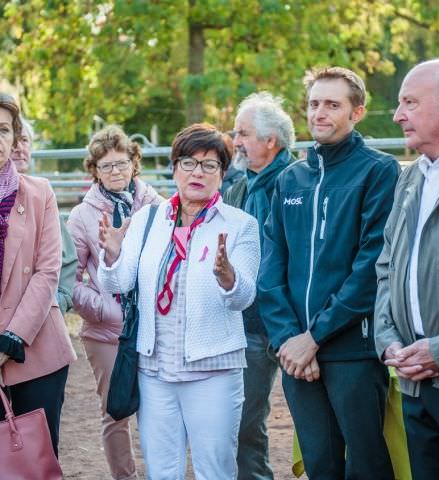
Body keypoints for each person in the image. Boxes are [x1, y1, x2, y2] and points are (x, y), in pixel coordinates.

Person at [258, 66, 399, 479]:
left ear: (357, 113)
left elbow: (371, 267)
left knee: (367, 465)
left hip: (351, 350)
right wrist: (289, 340)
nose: (319, 112)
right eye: (314, 103)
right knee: (320, 466)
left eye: (332, 105)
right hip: (296, 358)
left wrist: (315, 337)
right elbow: (271, 269)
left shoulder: (378, 171)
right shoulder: (290, 179)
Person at [97, 123, 260, 480]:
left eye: (209, 165)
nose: (197, 172)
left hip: (213, 370)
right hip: (155, 370)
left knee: (214, 469)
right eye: (188, 162)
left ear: (222, 173)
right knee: (161, 470)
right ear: (174, 168)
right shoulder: (148, 219)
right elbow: (119, 282)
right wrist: (110, 256)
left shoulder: (240, 225)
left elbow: (244, 298)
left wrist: (228, 278)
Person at [375, 58, 439, 480]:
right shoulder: (410, 179)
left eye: (409, 102)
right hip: (414, 384)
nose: (398, 115)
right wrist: (389, 341)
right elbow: (386, 267)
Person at [67, 125, 161, 480]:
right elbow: (70, 282)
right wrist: (110, 311)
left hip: (151, 325)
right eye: (105, 167)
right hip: (105, 330)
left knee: (158, 408)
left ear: (135, 163)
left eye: (121, 164)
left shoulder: (158, 207)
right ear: (95, 171)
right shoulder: (81, 216)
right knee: (116, 411)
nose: (115, 172)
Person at [0, 93, 77, 456]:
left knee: (36, 463)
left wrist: (11, 338)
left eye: (3, 130)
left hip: (35, 349)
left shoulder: (39, 193)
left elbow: (48, 271)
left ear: (15, 138)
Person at [224, 91, 296, 480]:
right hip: (250, 325)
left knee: (319, 428)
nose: (235, 141)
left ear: (271, 140)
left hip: (295, 327)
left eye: (244, 133)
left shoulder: (299, 182)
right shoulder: (237, 188)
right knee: (245, 426)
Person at [12, 117, 78, 316]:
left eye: (24, 140)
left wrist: (56, 303)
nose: (18, 147)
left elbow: (67, 260)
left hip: (37, 315)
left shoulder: (42, 195)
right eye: (11, 139)